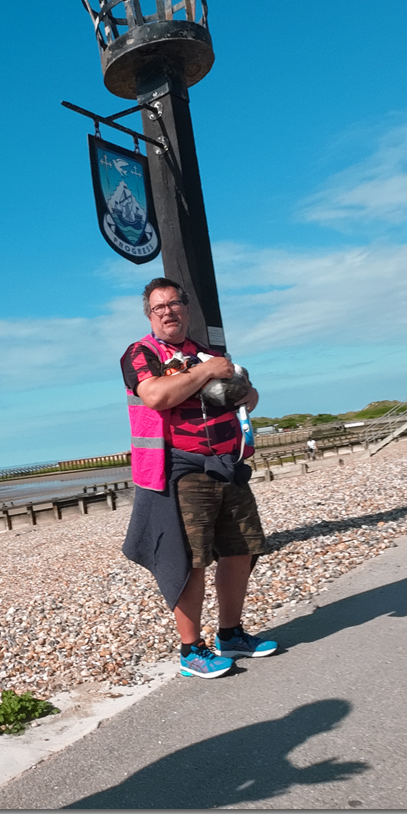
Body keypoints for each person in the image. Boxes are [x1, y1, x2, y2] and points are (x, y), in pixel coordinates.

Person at [120, 278, 278, 680]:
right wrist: (208, 370)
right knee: (191, 560)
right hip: (181, 467)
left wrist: (249, 394)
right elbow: (155, 395)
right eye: (159, 307)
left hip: (229, 463)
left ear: (187, 309)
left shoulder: (209, 353)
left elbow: (246, 389)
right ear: (149, 315)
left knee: (241, 548)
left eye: (175, 304)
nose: (168, 312)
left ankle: (231, 634)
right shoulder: (140, 353)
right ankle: (191, 650)